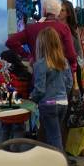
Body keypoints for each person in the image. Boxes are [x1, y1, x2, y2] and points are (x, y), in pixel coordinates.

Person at [30, 28, 73, 156]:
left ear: (40, 45)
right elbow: (69, 83)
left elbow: (40, 90)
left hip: (48, 104)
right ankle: (54, 162)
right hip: (63, 102)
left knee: (54, 137)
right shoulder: (64, 62)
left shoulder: (40, 64)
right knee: (55, 134)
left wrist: (31, 98)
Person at [6, 0, 77, 65]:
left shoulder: (32, 28)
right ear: (57, 11)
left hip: (37, 70)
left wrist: (28, 56)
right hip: (59, 72)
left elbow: (10, 42)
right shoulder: (64, 28)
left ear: (44, 10)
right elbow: (71, 56)